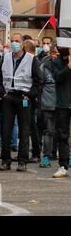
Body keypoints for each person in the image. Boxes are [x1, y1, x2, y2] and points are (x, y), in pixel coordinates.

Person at [0, 33, 40, 172]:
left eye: (17, 41)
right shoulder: (5, 58)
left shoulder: (31, 59)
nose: (14, 43)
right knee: (6, 130)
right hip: (8, 97)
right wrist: (2, 94)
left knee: (24, 130)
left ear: (22, 43)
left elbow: (38, 81)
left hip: (24, 98)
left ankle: (22, 161)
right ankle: (5, 161)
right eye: (12, 41)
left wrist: (30, 95)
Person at [51, 47, 71, 178]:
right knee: (62, 136)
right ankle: (63, 166)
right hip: (63, 104)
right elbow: (58, 78)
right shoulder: (56, 62)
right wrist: (69, 66)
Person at [37, 47, 58, 169]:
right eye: (54, 53)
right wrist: (40, 103)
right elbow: (39, 85)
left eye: (58, 53)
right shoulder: (44, 67)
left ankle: (67, 157)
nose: (56, 55)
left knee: (64, 133)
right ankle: (46, 156)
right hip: (48, 104)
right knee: (49, 131)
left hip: (65, 104)